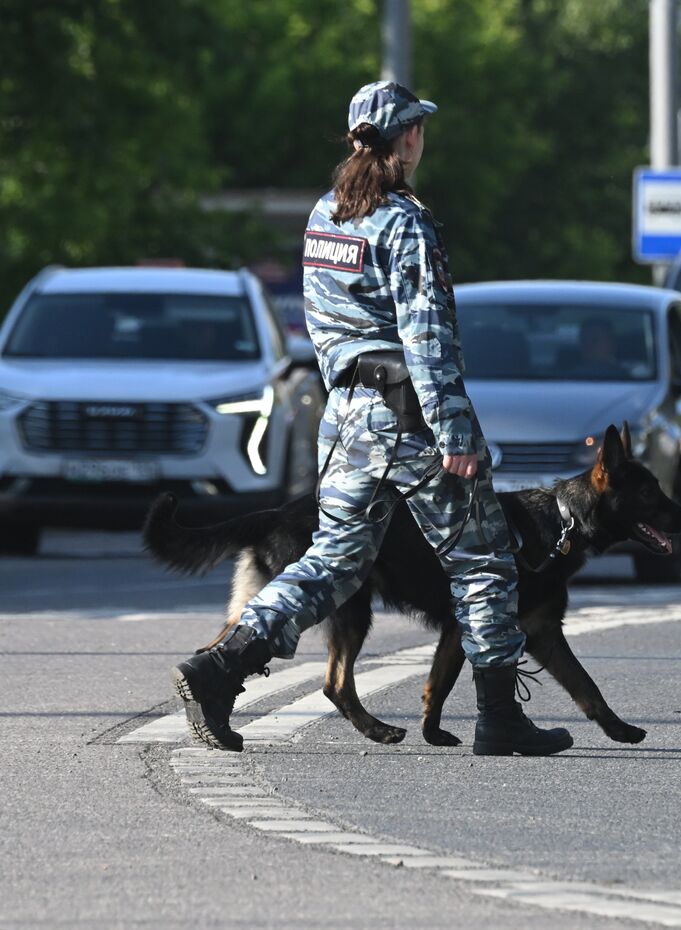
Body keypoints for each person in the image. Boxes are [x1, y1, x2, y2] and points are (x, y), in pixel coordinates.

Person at [172, 82, 571, 757]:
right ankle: (499, 716)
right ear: (408, 137)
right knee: (483, 560)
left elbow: (325, 330)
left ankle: (219, 667)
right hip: (412, 418)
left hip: (351, 419)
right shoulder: (406, 223)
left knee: (333, 560)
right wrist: (453, 432)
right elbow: (427, 337)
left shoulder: (326, 215)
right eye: (418, 128)